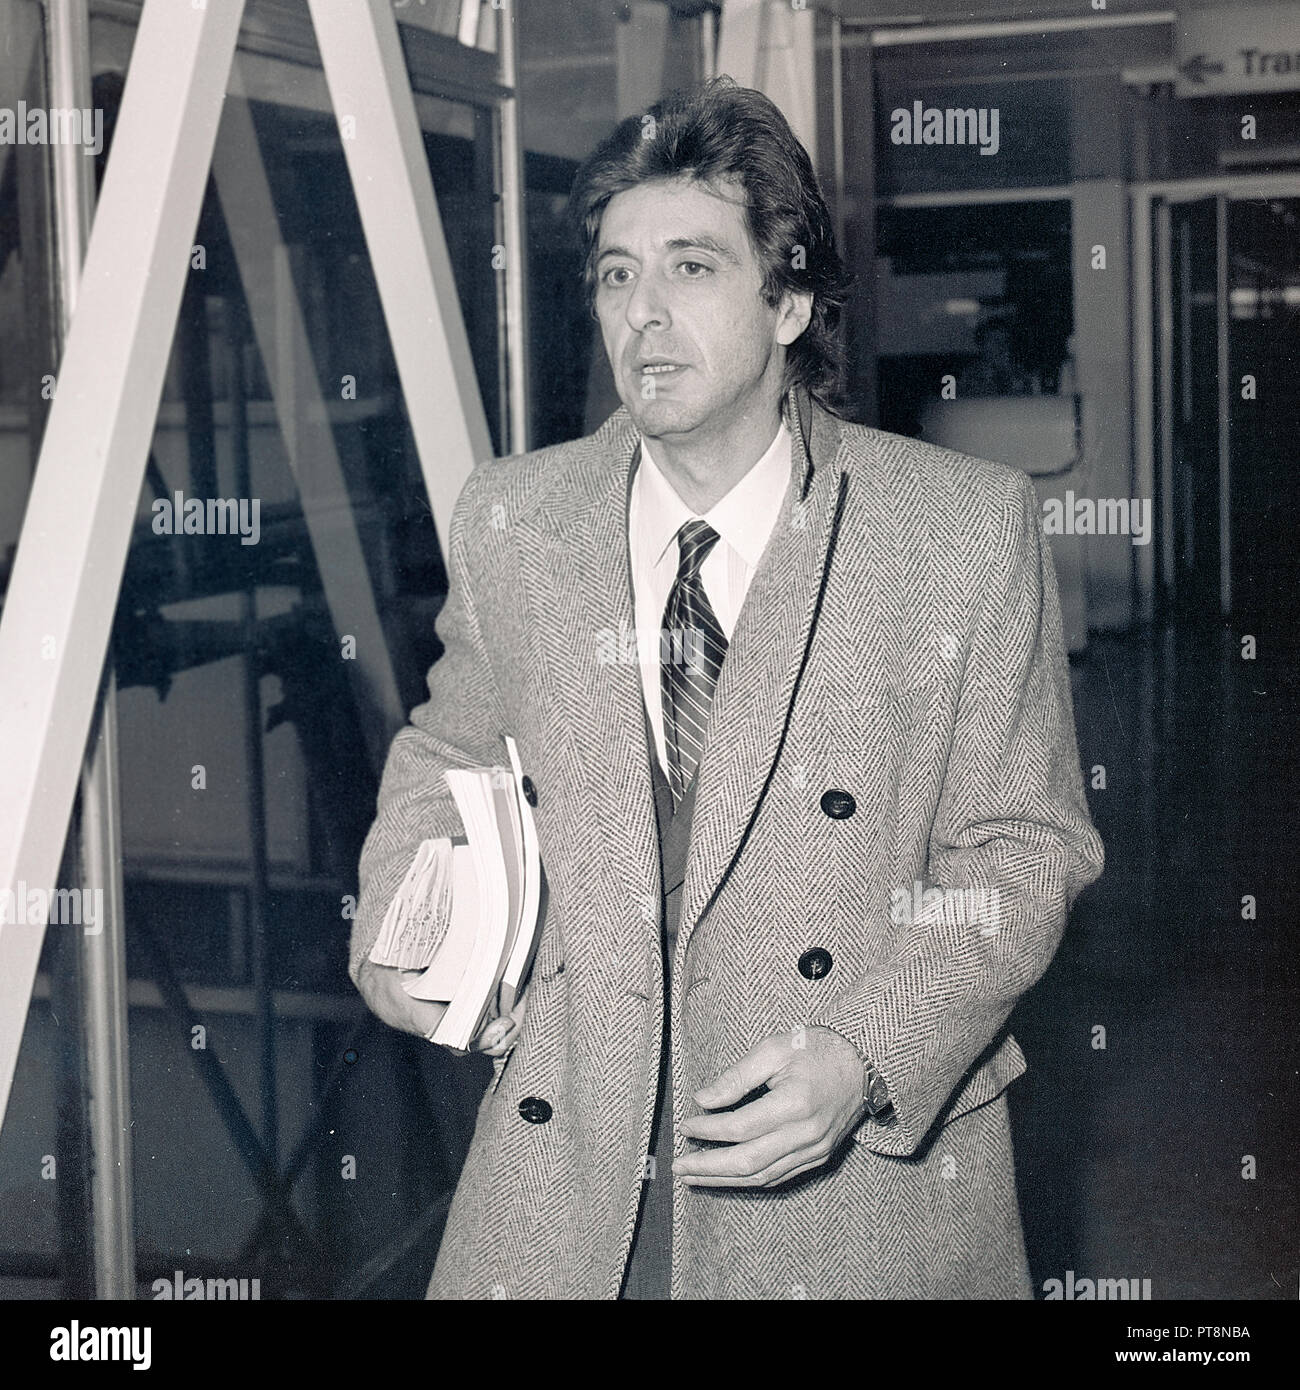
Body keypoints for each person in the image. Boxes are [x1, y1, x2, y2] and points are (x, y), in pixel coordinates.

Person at [350, 77, 1104, 1300]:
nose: (641, 314)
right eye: (613, 275)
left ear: (790, 296)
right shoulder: (517, 519)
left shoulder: (954, 531)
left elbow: (1023, 851)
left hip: (850, 1191)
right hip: (571, 1172)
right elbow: (446, 754)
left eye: (691, 268)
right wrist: (400, 916)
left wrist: (865, 1056)